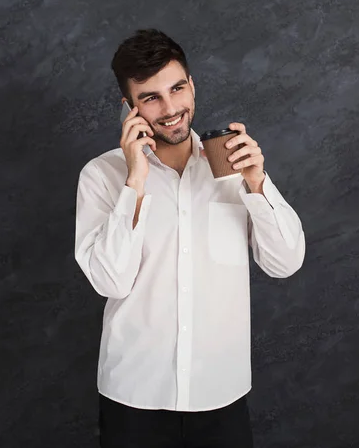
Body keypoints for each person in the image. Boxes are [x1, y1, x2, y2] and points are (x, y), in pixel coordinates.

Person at [74, 28, 306, 448]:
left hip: (220, 396)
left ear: (192, 86)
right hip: (134, 398)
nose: (169, 108)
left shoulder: (233, 165)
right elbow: (111, 282)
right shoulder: (101, 177)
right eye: (150, 97)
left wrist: (258, 183)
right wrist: (135, 182)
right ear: (129, 108)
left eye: (177, 88)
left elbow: (285, 262)